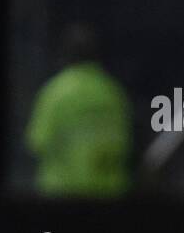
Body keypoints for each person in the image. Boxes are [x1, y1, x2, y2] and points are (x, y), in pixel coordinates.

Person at [25, 23, 132, 197]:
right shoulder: (112, 92)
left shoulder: (55, 92)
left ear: (64, 55)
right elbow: (126, 143)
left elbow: (37, 142)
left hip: (62, 197)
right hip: (108, 197)